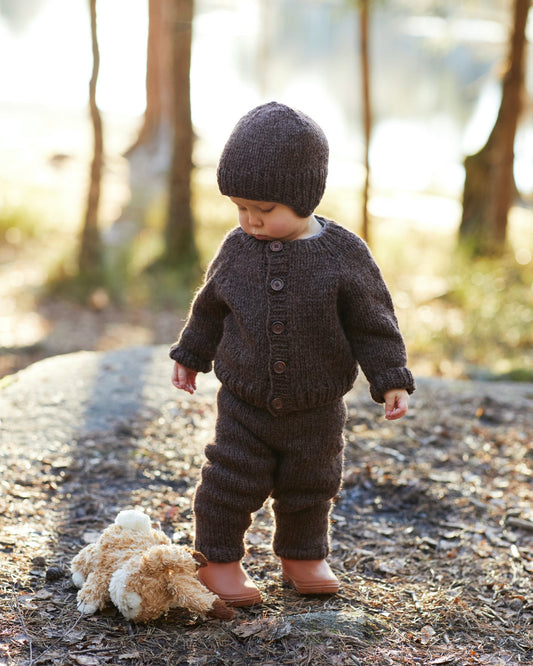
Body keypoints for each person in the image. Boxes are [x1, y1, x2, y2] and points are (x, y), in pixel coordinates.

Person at [170, 102, 415, 607]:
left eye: (265, 210)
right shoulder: (236, 249)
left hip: (317, 405)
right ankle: (218, 560)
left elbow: (373, 320)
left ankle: (303, 557)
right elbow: (211, 306)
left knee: (311, 484)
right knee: (228, 480)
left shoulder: (343, 254)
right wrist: (192, 353)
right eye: (241, 208)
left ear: (304, 198)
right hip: (245, 402)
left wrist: (390, 376)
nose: (251, 221)